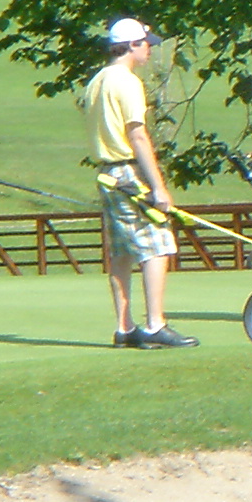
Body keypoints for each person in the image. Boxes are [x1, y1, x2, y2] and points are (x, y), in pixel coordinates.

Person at [80, 18, 197, 348]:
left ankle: (124, 328)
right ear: (131, 45)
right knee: (158, 245)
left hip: (107, 173)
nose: (149, 49)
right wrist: (158, 186)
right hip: (128, 173)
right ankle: (155, 324)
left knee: (121, 253)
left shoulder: (96, 80)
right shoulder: (127, 82)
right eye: (146, 43)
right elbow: (138, 134)